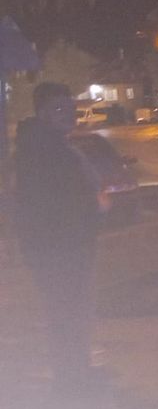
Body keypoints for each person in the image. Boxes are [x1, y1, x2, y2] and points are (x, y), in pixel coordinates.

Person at [13, 82, 104, 385]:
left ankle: (76, 372)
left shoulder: (54, 147)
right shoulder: (44, 152)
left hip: (67, 244)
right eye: (59, 108)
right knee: (67, 312)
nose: (68, 114)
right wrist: (93, 204)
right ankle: (72, 379)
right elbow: (54, 203)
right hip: (59, 247)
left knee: (73, 311)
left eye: (71, 108)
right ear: (42, 114)